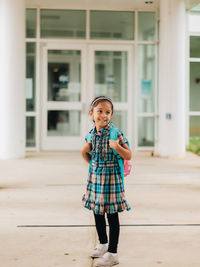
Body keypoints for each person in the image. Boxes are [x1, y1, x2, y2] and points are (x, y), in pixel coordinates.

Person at [81, 96, 132, 267]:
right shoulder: (91, 134)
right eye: (99, 111)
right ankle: (103, 244)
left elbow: (129, 155)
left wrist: (117, 146)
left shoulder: (115, 133)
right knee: (97, 211)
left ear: (112, 115)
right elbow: (86, 154)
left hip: (111, 179)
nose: (104, 115)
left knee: (112, 215)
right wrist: (90, 159)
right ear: (91, 114)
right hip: (96, 177)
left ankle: (113, 252)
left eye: (108, 112)